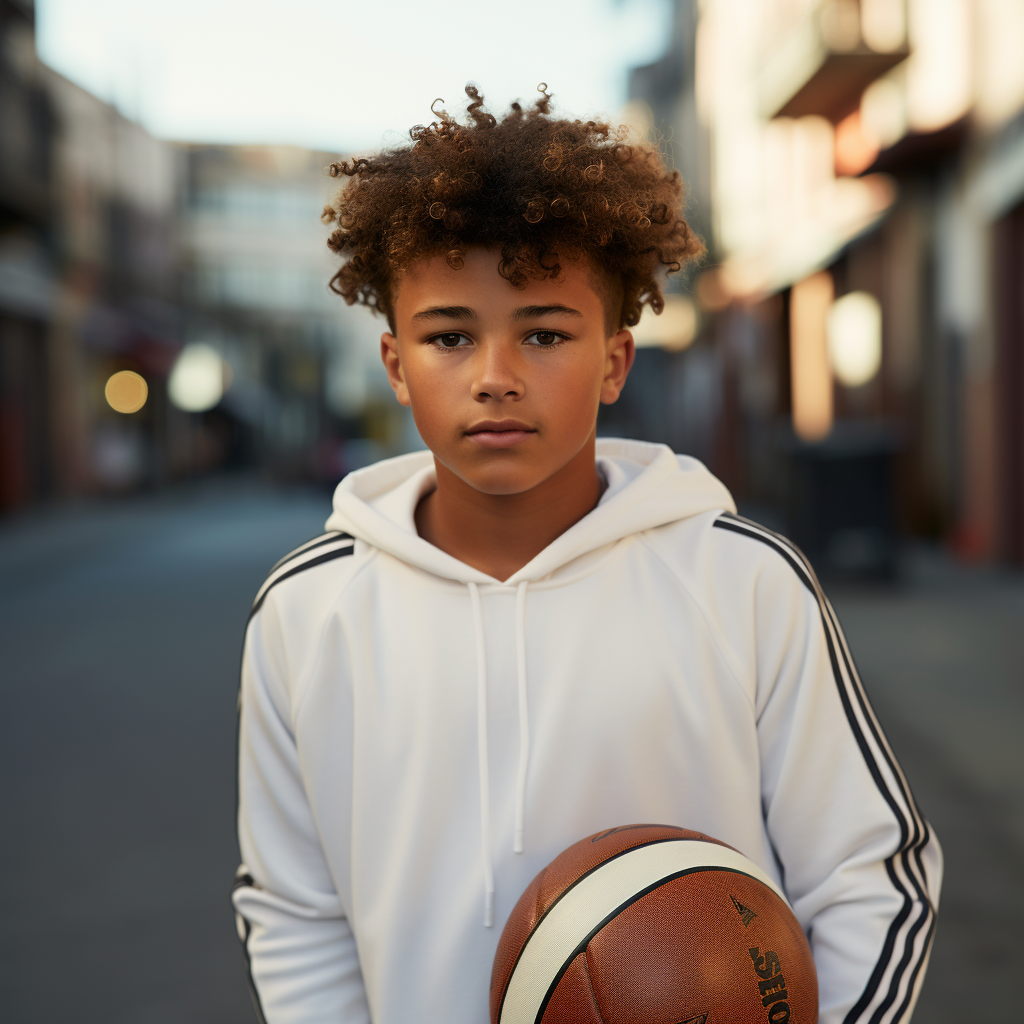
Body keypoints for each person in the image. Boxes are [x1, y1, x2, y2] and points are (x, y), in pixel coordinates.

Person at [231, 86, 940, 1024]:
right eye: (450, 336)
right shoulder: (307, 612)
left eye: (545, 333)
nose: (495, 375)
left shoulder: (743, 582)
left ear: (614, 360)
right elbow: (295, 908)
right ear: (396, 364)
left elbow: (871, 877)